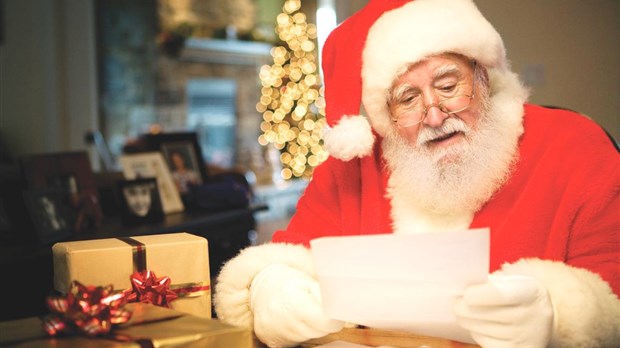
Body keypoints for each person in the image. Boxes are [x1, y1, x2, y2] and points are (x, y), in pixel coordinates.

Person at [214, 0, 620, 347]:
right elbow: (288, 254)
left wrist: (559, 318)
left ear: (482, 76)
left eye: (448, 85)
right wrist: (270, 286)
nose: (434, 114)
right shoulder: (354, 167)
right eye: (407, 99)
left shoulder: (576, 146)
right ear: (384, 116)